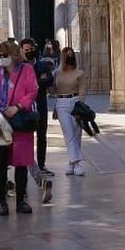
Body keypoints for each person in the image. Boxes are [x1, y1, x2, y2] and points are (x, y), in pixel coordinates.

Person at [0, 40, 41, 214]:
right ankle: (2, 202)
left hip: (20, 120)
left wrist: (18, 106)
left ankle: (21, 201)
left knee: (21, 162)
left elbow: (33, 91)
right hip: (1, 122)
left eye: (5, 55)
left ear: (13, 55)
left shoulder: (27, 70)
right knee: (0, 163)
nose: (1, 59)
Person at [23, 39, 55, 204]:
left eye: (31, 49)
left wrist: (36, 83)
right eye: (26, 49)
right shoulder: (20, 67)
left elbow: (49, 80)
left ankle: (41, 165)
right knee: (25, 143)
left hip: (40, 106)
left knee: (41, 136)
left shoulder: (42, 65)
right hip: (24, 109)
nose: (29, 51)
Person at [51, 48, 87, 176]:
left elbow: (82, 92)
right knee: (69, 133)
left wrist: (80, 107)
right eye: (67, 55)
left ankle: (72, 163)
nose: (69, 57)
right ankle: (77, 162)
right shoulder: (56, 73)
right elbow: (53, 91)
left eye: (71, 55)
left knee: (76, 134)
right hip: (61, 104)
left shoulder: (80, 74)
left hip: (76, 102)